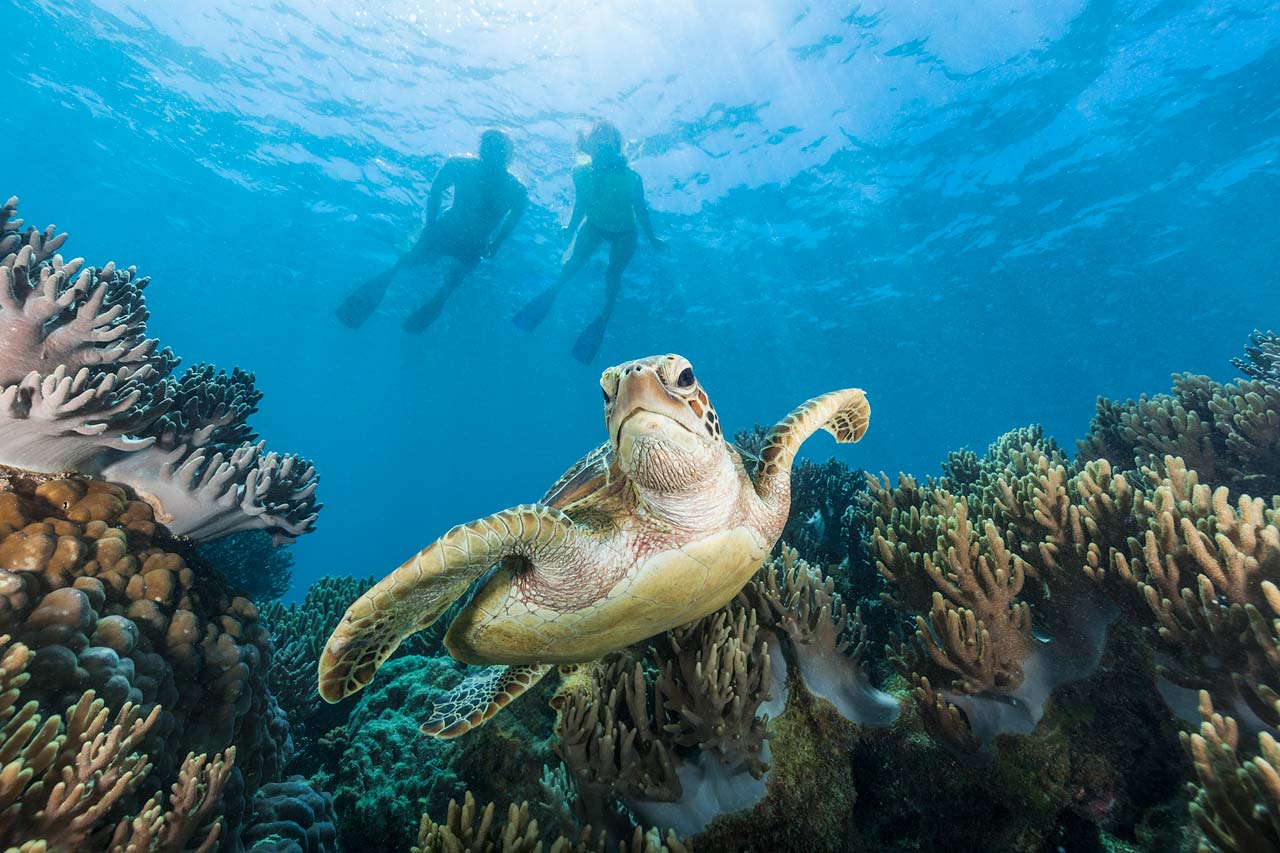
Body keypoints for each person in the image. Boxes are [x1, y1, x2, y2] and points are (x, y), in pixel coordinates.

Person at [336, 129, 528, 332]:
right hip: (463, 239)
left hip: (450, 233)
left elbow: (436, 190)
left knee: (410, 265)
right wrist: (495, 243)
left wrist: (430, 226)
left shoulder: (464, 167)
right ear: (509, 155)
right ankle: (438, 296)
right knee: (444, 279)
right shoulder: (514, 188)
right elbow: (511, 220)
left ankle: (434, 294)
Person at [513, 121, 663, 363]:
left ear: (617, 147)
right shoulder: (580, 173)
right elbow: (581, 203)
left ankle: (605, 314)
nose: (602, 146)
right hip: (593, 224)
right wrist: (570, 228)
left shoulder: (631, 178)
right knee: (571, 265)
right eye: (597, 141)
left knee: (613, 274)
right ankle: (553, 292)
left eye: (608, 142)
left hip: (625, 232)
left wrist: (652, 237)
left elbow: (640, 209)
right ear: (589, 146)